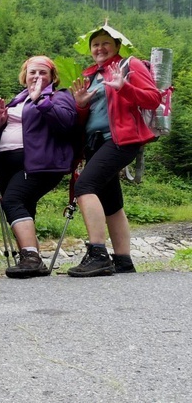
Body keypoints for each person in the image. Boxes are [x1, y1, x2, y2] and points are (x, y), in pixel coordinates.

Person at [67, 23, 162, 277]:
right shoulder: (90, 76)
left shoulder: (129, 66)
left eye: (105, 43)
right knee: (112, 203)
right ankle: (123, 260)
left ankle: (98, 254)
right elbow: (89, 116)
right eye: (95, 44)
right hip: (96, 143)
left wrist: (124, 87)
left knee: (85, 187)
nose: (100, 48)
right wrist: (81, 105)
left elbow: (153, 98)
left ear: (117, 46)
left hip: (121, 140)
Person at [0, 56, 77, 278]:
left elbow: (66, 123)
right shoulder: (17, 99)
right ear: (25, 76)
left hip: (41, 164)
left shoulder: (59, 96)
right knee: (24, 206)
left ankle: (31, 257)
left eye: (42, 73)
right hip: (8, 164)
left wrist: (40, 100)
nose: (37, 76)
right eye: (32, 72)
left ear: (52, 77)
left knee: (13, 200)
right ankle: (29, 258)